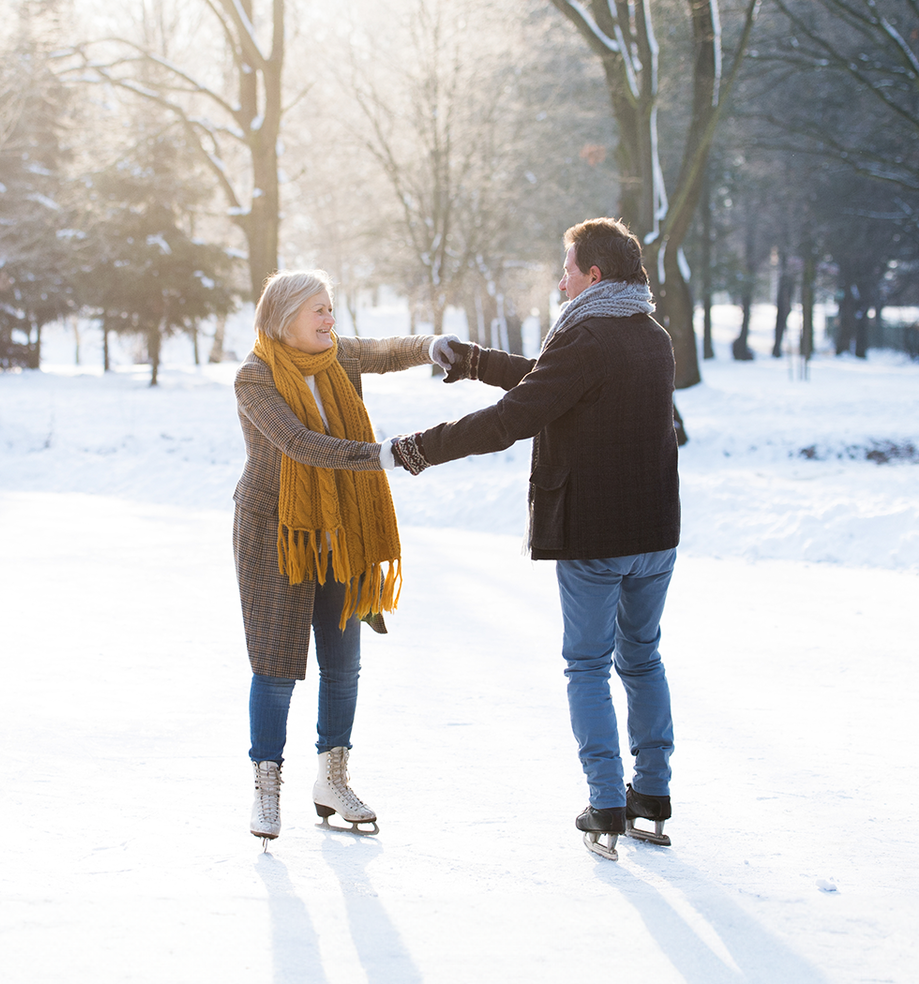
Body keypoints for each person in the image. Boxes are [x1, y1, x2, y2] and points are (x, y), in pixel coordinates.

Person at [384, 218, 681, 860]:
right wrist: (474, 361)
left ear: (593, 276)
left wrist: (417, 450)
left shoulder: (588, 336)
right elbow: (556, 383)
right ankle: (650, 796)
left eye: (567, 267)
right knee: (643, 659)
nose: (559, 278)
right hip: (655, 535)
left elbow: (517, 417)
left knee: (587, 665)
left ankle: (605, 800)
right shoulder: (650, 333)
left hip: (596, 538)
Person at [233, 270, 446, 848]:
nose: (330, 319)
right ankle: (266, 784)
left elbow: (384, 350)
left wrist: (430, 346)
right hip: (278, 531)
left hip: (342, 528)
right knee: (276, 664)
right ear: (283, 319)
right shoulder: (255, 378)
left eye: (331, 308)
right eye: (317, 310)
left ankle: (332, 779)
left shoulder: (336, 358)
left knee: (343, 663)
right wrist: (385, 455)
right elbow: (302, 444)